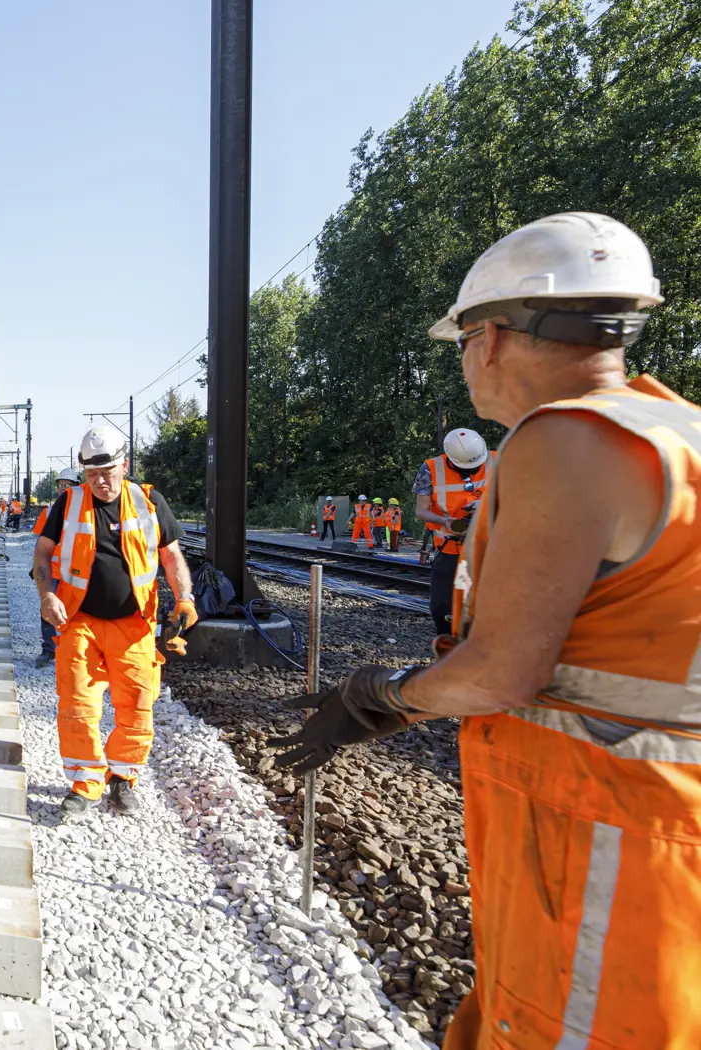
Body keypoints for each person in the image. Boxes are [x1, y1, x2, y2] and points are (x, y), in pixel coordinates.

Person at [268, 213, 696, 1049]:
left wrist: (379, 697)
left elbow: (503, 672)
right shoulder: (677, 432)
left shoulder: (568, 438)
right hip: (654, 837)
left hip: (606, 852)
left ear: (491, 336)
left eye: (461, 342)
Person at [35, 427, 195, 818]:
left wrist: (185, 598)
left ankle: (123, 778)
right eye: (92, 475)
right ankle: (85, 784)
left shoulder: (149, 501)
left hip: (135, 624)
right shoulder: (67, 503)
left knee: (138, 705)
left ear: (124, 464)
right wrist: (46, 594)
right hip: (80, 622)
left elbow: (172, 557)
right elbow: (42, 554)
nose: (101, 482)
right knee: (77, 706)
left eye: (108, 471)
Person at [414, 427, 495, 636]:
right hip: (450, 548)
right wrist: (444, 520)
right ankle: (448, 642)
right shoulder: (430, 469)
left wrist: (485, 505)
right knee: (442, 606)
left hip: (489, 548)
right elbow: (421, 511)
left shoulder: (498, 461)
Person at [31, 468, 82, 665]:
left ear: (77, 486)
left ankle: (73, 650)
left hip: (77, 571)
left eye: (67, 485)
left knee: (77, 611)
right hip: (53, 570)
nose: (62, 489)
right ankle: (49, 649)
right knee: (49, 608)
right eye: (60, 486)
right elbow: (40, 545)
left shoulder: (87, 511)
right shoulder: (50, 511)